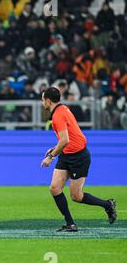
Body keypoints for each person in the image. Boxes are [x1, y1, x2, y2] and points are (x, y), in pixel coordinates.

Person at [40, 87, 117, 232]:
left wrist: (51, 157)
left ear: (48, 101)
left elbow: (65, 141)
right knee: (55, 188)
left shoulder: (58, 116)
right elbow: (68, 138)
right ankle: (70, 224)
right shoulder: (62, 109)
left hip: (78, 156)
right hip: (67, 154)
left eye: (43, 99)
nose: (42, 102)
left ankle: (108, 205)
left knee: (76, 196)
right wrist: (55, 148)